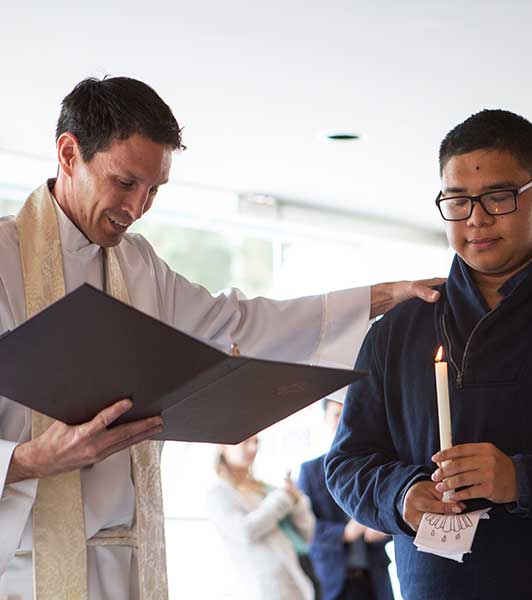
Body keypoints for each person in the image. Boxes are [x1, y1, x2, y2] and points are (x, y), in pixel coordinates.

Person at [0, 76, 443, 600]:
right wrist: (28, 460)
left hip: (128, 562)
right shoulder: (6, 259)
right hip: (25, 564)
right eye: (124, 183)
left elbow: (235, 324)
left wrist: (379, 297)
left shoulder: (137, 263)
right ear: (69, 153)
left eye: (154, 190)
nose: (139, 208)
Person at [325, 109, 532, 600]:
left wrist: (522, 478)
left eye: (498, 196)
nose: (477, 218)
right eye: (457, 200)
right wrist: (400, 495)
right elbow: (347, 462)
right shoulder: (401, 329)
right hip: (436, 585)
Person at [298, 397, 393, 600]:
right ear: (325, 419)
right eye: (336, 414)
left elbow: (393, 512)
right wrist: (345, 533)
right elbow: (306, 529)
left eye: (347, 413)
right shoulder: (310, 471)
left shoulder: (373, 466)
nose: (343, 421)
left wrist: (385, 528)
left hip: (374, 578)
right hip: (335, 582)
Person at [207, 435, 318, 599]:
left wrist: (297, 501)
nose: (253, 448)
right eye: (245, 442)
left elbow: (306, 535)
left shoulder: (266, 488)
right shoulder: (218, 491)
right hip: (269, 587)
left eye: (256, 442)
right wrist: (284, 498)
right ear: (222, 445)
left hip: (300, 573)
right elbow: (245, 531)